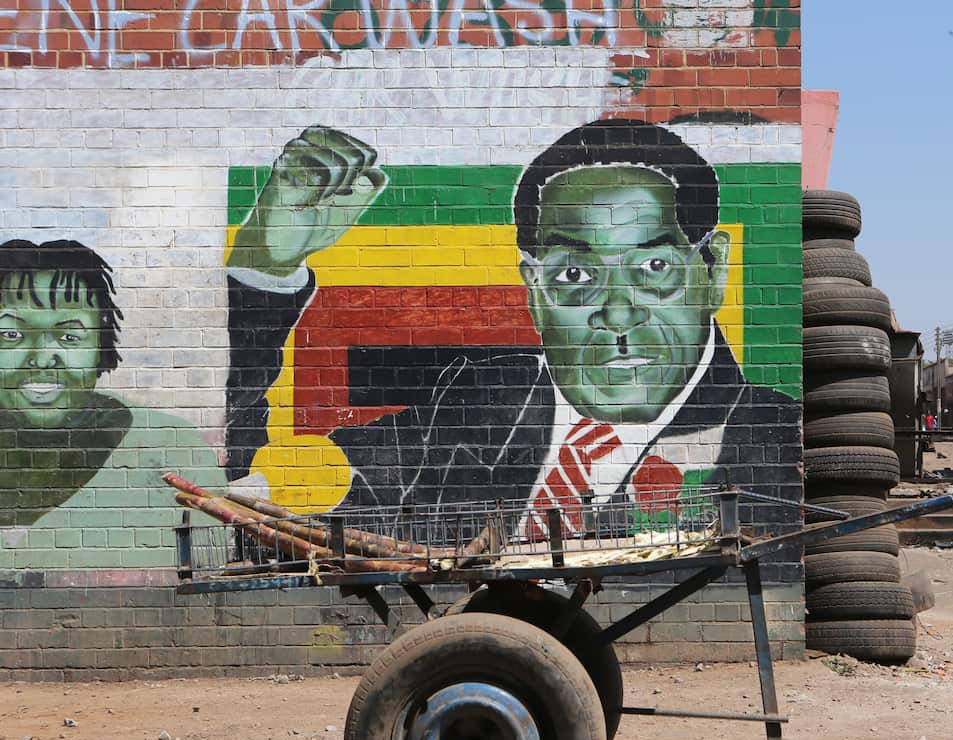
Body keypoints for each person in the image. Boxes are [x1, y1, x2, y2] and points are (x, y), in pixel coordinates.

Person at [224, 121, 800, 533]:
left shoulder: (773, 437)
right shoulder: (478, 402)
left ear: (713, 269)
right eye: (574, 272)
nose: (618, 313)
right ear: (535, 287)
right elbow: (251, 500)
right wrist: (263, 272)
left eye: (654, 267)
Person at [0, 239, 225, 569]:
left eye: (69, 337)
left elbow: (213, 564)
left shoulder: (170, 452)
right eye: (12, 335)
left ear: (101, 346)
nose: (43, 358)